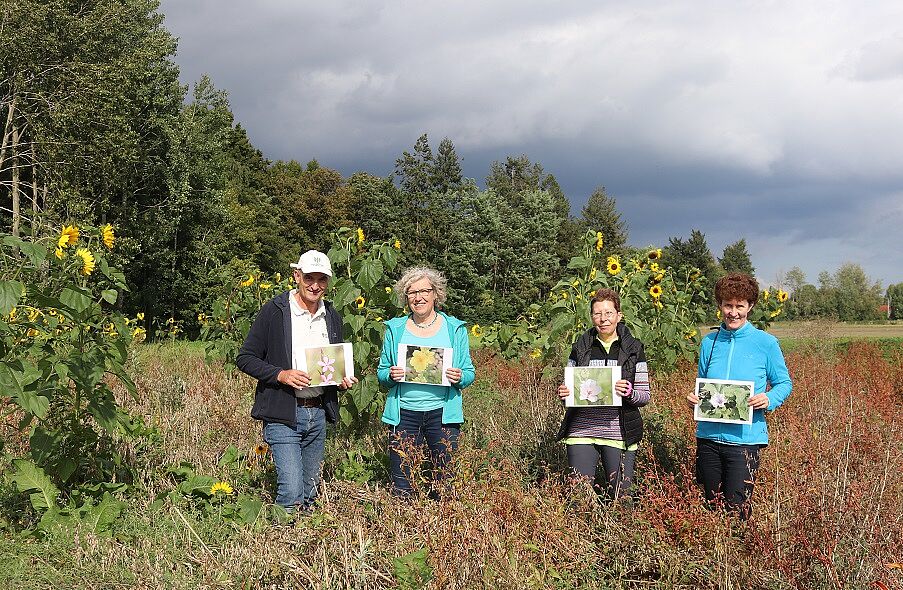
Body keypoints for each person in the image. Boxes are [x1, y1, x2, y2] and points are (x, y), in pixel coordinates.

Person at [237, 250, 358, 512]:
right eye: (309, 278)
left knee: (309, 493)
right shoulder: (275, 311)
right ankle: (281, 534)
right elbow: (245, 358)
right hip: (284, 412)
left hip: (317, 412)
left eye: (321, 279)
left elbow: (331, 364)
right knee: (292, 494)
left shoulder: (331, 316)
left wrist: (341, 380)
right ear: (296, 276)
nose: (315, 286)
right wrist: (281, 375)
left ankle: (303, 536)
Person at [686, 272, 792, 519]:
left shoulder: (766, 343)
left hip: (745, 441)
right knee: (711, 507)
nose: (733, 312)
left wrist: (769, 399)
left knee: (737, 509)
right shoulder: (709, 342)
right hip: (708, 438)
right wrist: (694, 400)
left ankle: (738, 542)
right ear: (720, 305)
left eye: (739, 306)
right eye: (728, 305)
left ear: (750, 306)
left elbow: (784, 383)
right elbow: (703, 384)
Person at [376, 266, 475, 497]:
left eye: (424, 291)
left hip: (442, 415)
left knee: (444, 482)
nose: (418, 297)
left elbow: (469, 372)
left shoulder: (454, 329)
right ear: (406, 297)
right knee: (402, 483)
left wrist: (459, 377)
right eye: (412, 292)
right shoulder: (395, 329)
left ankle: (440, 518)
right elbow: (381, 372)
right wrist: (390, 375)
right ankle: (403, 518)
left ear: (435, 294)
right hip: (404, 414)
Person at [556, 288, 651, 500]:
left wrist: (629, 392)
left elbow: (644, 395)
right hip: (581, 431)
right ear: (591, 317)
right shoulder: (580, 347)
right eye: (597, 314)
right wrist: (565, 393)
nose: (603, 319)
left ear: (619, 315)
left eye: (608, 313)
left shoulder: (634, 349)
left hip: (619, 433)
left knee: (621, 497)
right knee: (579, 498)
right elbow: (569, 389)